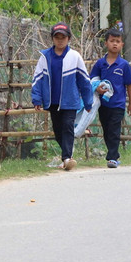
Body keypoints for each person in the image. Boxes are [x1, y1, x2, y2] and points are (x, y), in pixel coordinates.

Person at [32, 22, 93, 171]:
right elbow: (37, 79)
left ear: (69, 39)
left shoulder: (74, 57)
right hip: (52, 101)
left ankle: (67, 158)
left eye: (63, 37)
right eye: (57, 37)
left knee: (67, 126)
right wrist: (37, 99)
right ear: (52, 38)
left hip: (70, 100)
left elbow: (84, 80)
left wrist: (88, 101)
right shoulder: (45, 57)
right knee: (58, 129)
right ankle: (67, 155)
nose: (60, 40)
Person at [90, 27, 131, 168]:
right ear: (106, 43)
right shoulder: (100, 63)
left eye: (118, 41)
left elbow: (129, 84)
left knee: (115, 129)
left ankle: (112, 157)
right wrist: (97, 88)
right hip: (103, 104)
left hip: (118, 104)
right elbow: (92, 80)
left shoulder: (124, 65)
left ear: (122, 44)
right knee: (106, 129)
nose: (114, 44)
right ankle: (114, 154)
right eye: (112, 41)